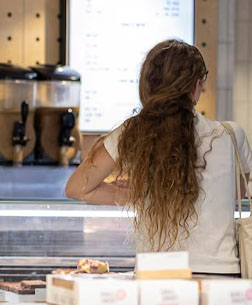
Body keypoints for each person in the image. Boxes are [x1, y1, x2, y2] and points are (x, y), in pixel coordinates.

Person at [66, 40, 252, 275]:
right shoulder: (231, 135)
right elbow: (238, 193)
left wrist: (133, 193)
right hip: (221, 274)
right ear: (196, 85)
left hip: (157, 275)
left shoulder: (132, 133)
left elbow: (77, 188)